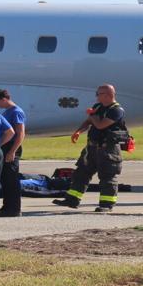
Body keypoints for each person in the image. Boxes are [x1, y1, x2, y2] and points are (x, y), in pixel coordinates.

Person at [55, 83, 129, 212]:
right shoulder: (98, 107)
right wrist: (79, 131)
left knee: (107, 177)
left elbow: (100, 125)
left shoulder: (117, 111)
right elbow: (89, 121)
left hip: (108, 150)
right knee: (81, 173)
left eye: (98, 94)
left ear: (108, 95)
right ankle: (72, 199)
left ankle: (106, 205)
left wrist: (93, 116)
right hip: (92, 147)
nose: (96, 97)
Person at [0, 89, 27, 217]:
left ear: (3, 99)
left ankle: (14, 208)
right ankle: (7, 206)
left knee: (11, 178)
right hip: (6, 147)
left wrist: (12, 151)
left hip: (11, 147)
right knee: (6, 178)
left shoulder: (16, 112)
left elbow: (20, 133)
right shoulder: (8, 112)